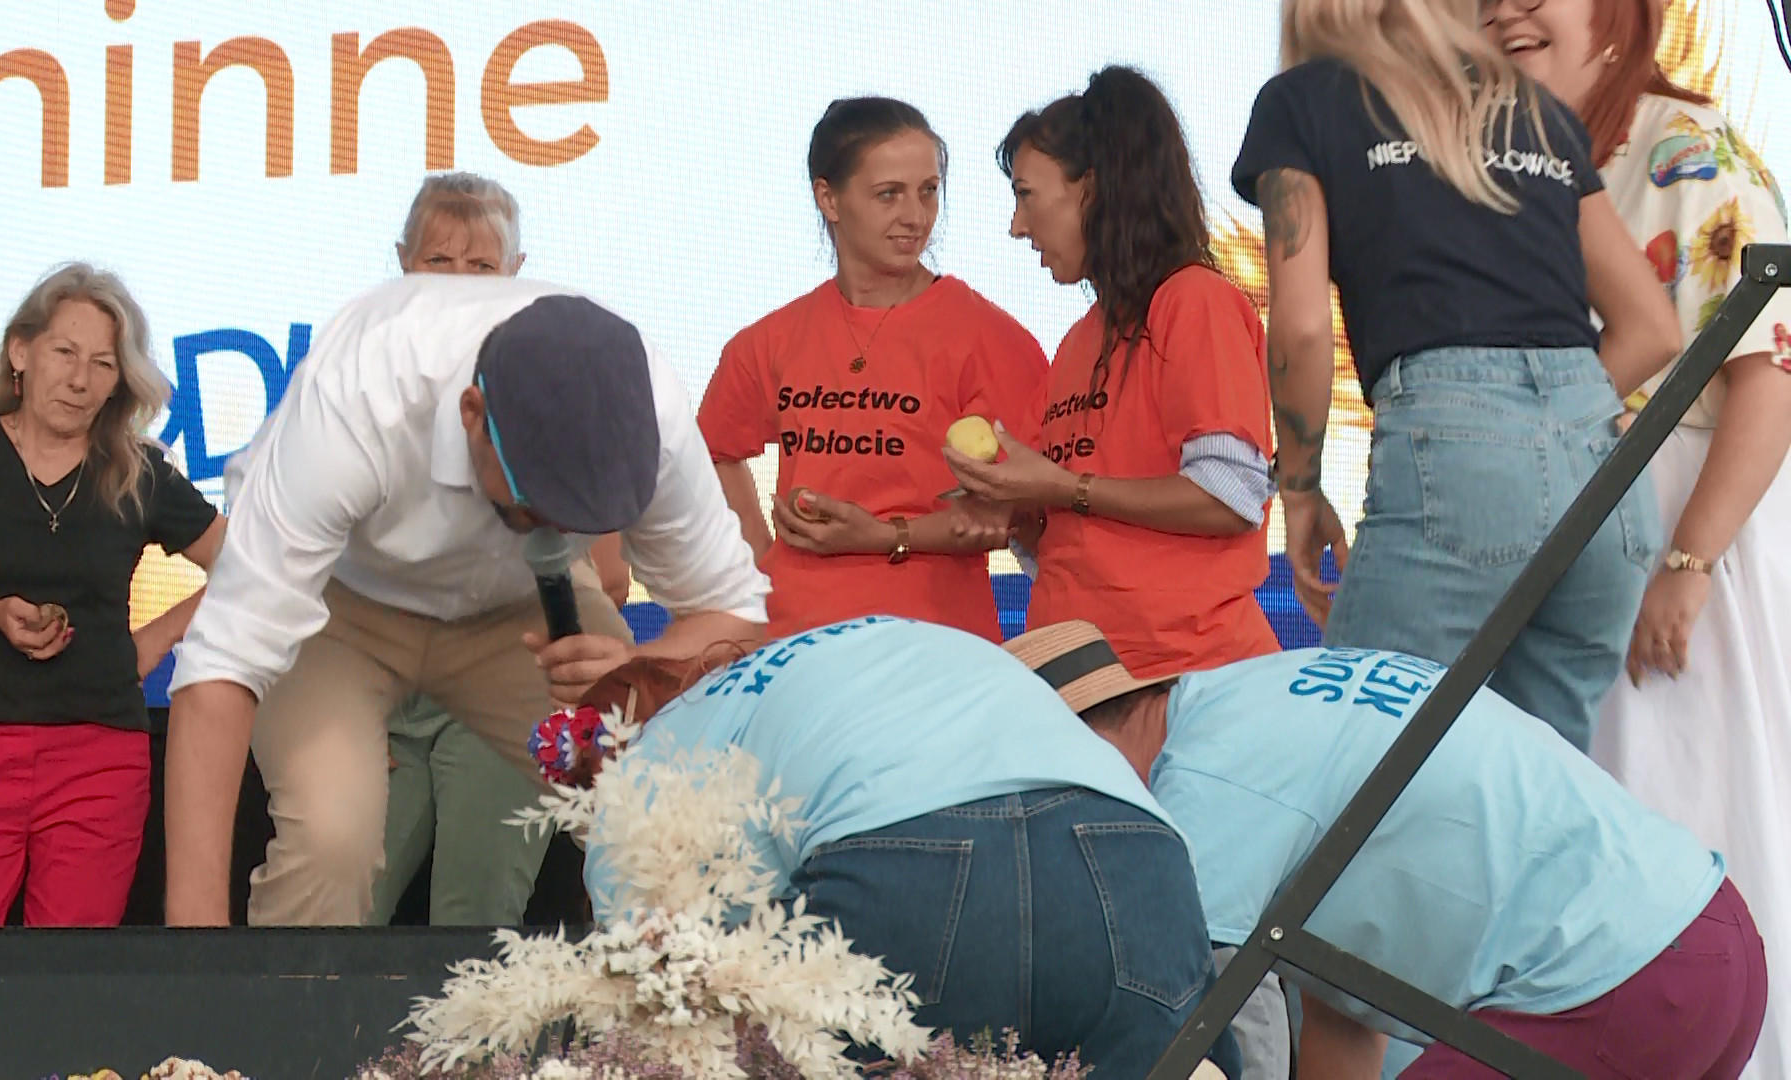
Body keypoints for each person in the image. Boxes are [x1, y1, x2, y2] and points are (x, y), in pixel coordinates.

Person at [161, 274, 769, 928]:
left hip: (522, 616)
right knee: (331, 838)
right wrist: (191, 952)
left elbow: (736, 617)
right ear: (472, 414)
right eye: (539, 501)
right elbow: (220, 669)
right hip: (338, 601)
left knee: (666, 814)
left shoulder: (647, 410)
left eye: (582, 512)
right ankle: (270, 1026)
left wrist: (638, 665)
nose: (560, 528)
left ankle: (668, 1023)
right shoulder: (364, 393)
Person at [1010, 620, 1768, 1079]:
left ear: (1083, 749)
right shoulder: (1256, 700)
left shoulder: (1203, 779)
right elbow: (1342, 1008)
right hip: (1713, 943)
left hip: (1613, 978)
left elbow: (1214, 1018)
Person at [1231, 0, 1681, 751]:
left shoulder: (1304, 100)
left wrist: (1300, 493)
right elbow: (1652, 328)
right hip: (1607, 477)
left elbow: (1303, 326)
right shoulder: (1532, 107)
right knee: (1535, 798)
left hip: (1458, 460)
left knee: (1350, 766)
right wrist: (1549, 426)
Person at [1485, 1, 1791, 1075]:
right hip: (1562, 544)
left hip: (1677, 536)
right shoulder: (1510, 169)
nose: (1506, 8)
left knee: (1684, 809)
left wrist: (1687, 564)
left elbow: (1771, 378)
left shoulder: (1684, 150)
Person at [568, 616, 1242, 1080]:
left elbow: (652, 999)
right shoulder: (850, 651)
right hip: (1135, 850)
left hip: (912, 859)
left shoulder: (643, 762)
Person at [0, 263, 224, 1050]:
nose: (81, 378)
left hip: (101, 754)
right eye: (66, 352)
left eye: (103, 364)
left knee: (70, 1004)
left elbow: (249, 570)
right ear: (19, 353)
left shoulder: (137, 470)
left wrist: (152, 643)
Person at [359, 172, 632, 927]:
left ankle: (487, 1055)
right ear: (401, 262)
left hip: (508, 685)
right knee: (336, 912)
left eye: (480, 267)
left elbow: (611, 571)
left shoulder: (561, 383)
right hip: (385, 698)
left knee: (475, 921)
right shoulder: (357, 385)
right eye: (437, 262)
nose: (457, 285)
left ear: (517, 272)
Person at [946, 66, 1279, 681]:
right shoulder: (1076, 342)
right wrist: (1015, 510)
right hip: (1080, 677)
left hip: (1184, 679)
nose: (1017, 226)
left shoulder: (1194, 302)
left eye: (1025, 195)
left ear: (1091, 190)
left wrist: (1062, 487)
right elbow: (1077, 541)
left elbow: (1230, 496)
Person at [698, 97, 1047, 641]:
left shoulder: (990, 338)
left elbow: (1014, 516)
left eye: (928, 191)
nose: (916, 216)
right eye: (889, 194)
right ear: (828, 199)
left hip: (934, 646)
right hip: (792, 646)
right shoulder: (770, 340)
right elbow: (713, 451)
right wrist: (760, 570)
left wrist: (884, 535)